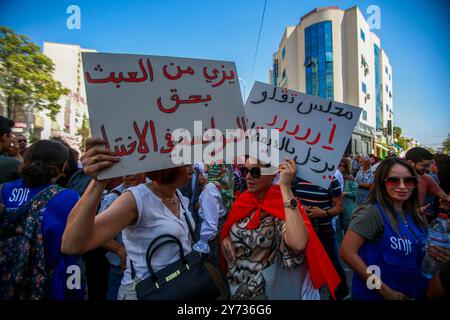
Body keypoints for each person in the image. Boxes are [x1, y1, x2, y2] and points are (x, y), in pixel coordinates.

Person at [61, 137, 197, 300]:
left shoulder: (178, 195)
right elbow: (72, 245)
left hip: (179, 289)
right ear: (167, 165)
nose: (193, 170)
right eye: (186, 164)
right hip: (146, 292)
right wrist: (98, 182)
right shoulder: (137, 198)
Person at [220, 158, 341, 300]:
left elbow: (299, 242)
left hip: (264, 291)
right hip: (235, 284)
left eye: (255, 172)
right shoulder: (243, 199)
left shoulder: (282, 202)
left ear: (273, 174)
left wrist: (286, 187)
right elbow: (229, 226)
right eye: (245, 170)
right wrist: (226, 238)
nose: (248, 176)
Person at [0, 140, 83, 300]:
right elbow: (79, 244)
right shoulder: (69, 197)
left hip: (7, 280)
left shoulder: (3, 190)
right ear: (64, 166)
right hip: (52, 282)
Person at [340, 157, 428, 300]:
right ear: (382, 183)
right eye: (394, 180)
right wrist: (386, 292)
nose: (402, 186)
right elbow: (347, 253)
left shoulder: (414, 214)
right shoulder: (372, 213)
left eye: (408, 181)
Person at [291, 174, 349, 300]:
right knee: (303, 266)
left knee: (332, 263)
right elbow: (289, 200)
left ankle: (341, 293)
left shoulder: (330, 178)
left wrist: (324, 213)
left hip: (324, 231)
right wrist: (299, 207)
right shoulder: (296, 178)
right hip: (301, 231)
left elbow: (340, 207)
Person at [99, 173, 147, 300]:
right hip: (121, 268)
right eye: (124, 171)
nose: (126, 176)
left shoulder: (157, 192)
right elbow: (98, 234)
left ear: (144, 172)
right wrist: (119, 249)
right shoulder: (112, 199)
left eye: (132, 171)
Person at [193, 164, 233, 271]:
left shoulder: (210, 188)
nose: (206, 168)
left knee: (212, 267)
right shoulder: (223, 184)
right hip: (220, 227)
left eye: (209, 166)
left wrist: (203, 241)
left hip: (212, 234)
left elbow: (210, 223)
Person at [405, 147, 450, 215]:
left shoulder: (426, 178)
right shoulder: (395, 180)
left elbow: (444, 196)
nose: (428, 169)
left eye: (429, 165)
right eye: (425, 165)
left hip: (418, 221)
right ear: (410, 163)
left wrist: (446, 202)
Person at [337, 158, 359, 242]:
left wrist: (345, 193)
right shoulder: (335, 177)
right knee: (338, 230)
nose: (341, 167)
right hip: (337, 206)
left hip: (348, 207)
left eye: (344, 166)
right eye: (340, 165)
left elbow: (355, 192)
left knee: (348, 228)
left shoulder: (350, 179)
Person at [0, 116, 21, 184]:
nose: (13, 139)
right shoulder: (11, 163)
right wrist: (17, 154)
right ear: (5, 137)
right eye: (11, 135)